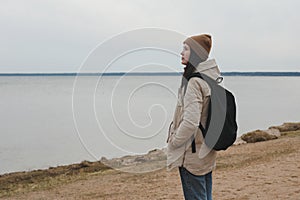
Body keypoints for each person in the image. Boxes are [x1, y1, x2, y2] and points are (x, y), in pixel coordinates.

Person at [167, 34, 222, 200]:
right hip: (207, 149)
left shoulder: (194, 82)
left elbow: (191, 122)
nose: (181, 52)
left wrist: (175, 141)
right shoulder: (212, 77)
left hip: (192, 154)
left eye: (186, 49)